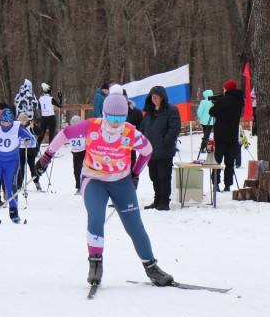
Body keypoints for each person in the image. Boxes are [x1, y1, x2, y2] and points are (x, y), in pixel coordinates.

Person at [34, 87, 174, 287]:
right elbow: (65, 134)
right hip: (94, 180)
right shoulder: (92, 126)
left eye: (121, 118)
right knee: (96, 217)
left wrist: (135, 174)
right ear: (104, 114)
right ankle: (95, 265)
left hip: (121, 182)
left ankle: (152, 268)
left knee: (135, 226)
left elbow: (147, 151)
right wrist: (47, 157)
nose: (116, 123)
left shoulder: (129, 132)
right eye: (111, 117)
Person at [138, 85, 181, 210]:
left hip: (164, 150)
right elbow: (143, 127)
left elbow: (174, 128)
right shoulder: (149, 112)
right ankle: (157, 200)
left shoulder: (171, 110)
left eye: (156, 96)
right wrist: (142, 141)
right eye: (152, 96)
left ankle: (164, 201)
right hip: (150, 151)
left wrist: (165, 141)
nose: (154, 98)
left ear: (162, 97)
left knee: (164, 176)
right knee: (154, 177)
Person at [208, 80, 244, 192]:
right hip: (233, 135)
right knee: (230, 162)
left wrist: (215, 104)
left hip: (221, 135)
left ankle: (216, 183)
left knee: (217, 161)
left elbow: (212, 112)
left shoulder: (223, 100)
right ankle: (228, 184)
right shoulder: (240, 101)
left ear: (227, 89)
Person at [67, 114, 86, 195]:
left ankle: (83, 187)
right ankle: (79, 187)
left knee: (81, 170)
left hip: (83, 153)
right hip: (75, 154)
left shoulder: (83, 130)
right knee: (76, 171)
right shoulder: (70, 131)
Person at [196, 89, 214, 154]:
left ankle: (203, 147)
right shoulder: (213, 102)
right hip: (211, 120)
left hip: (204, 121)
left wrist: (199, 117)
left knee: (206, 134)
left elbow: (199, 111)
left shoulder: (203, 102)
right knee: (207, 134)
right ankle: (205, 146)